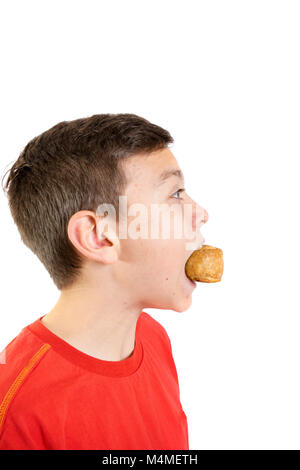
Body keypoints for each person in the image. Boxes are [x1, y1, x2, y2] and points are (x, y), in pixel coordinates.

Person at [0, 113, 208, 450]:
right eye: (175, 194)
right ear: (99, 236)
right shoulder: (16, 411)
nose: (200, 212)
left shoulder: (152, 339)